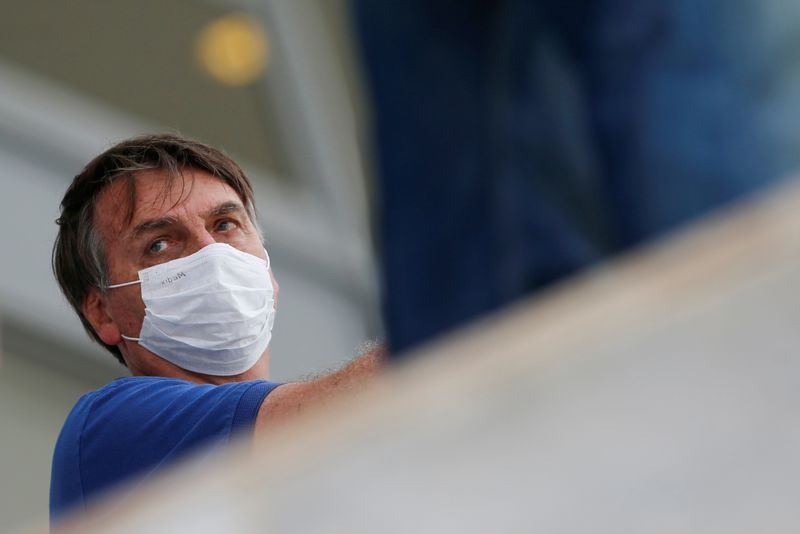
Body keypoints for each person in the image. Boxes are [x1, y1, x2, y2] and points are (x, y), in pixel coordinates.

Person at [49, 134, 385, 521]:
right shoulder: (110, 427)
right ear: (102, 312)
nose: (211, 253)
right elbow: (367, 401)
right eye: (159, 244)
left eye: (225, 224)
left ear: (267, 266)